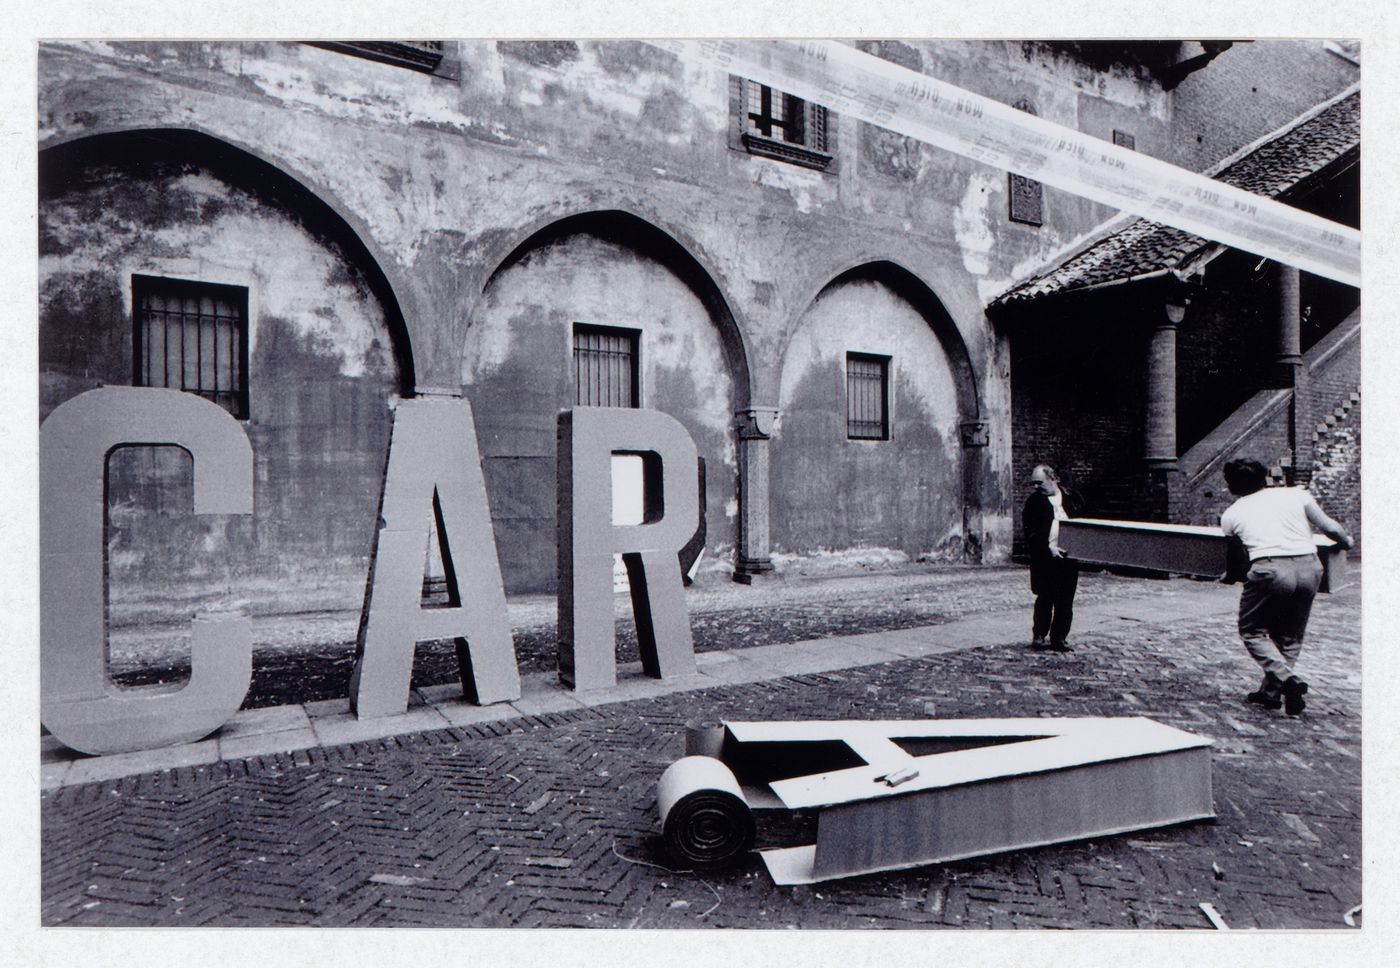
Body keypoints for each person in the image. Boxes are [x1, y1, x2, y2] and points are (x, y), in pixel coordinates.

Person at [1219, 458, 1353, 716]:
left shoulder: (1231, 515)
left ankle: (1288, 679)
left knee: (1252, 632)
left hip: (1269, 569)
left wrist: (1227, 577)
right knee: (1290, 635)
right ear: (1265, 477)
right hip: (1309, 567)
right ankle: (1271, 693)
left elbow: (1236, 562)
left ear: (1230, 485)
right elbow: (1330, 528)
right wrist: (1346, 542)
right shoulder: (1295, 495)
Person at [1023, 464, 1082, 652]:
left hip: (1069, 558)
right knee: (1045, 598)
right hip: (1045, 558)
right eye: (1033, 483)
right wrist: (1047, 548)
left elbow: (1083, 525)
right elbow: (1029, 532)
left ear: (1052, 479)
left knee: (1065, 600)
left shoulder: (1072, 499)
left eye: (1039, 482)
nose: (1036, 487)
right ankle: (1039, 634)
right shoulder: (1034, 502)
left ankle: (1059, 638)